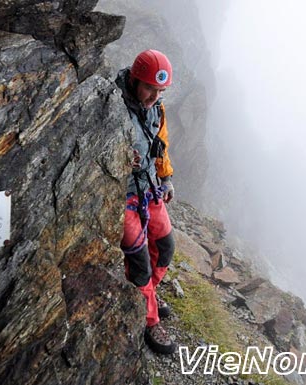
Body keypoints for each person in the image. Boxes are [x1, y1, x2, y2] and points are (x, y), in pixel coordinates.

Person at [115, 49, 177, 354]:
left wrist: (165, 178)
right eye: (150, 88)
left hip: (150, 187)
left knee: (165, 245)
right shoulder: (112, 106)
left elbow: (160, 145)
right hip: (122, 195)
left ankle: (148, 293)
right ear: (134, 79)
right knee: (138, 262)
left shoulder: (157, 110)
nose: (154, 96)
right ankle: (149, 320)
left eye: (160, 90)